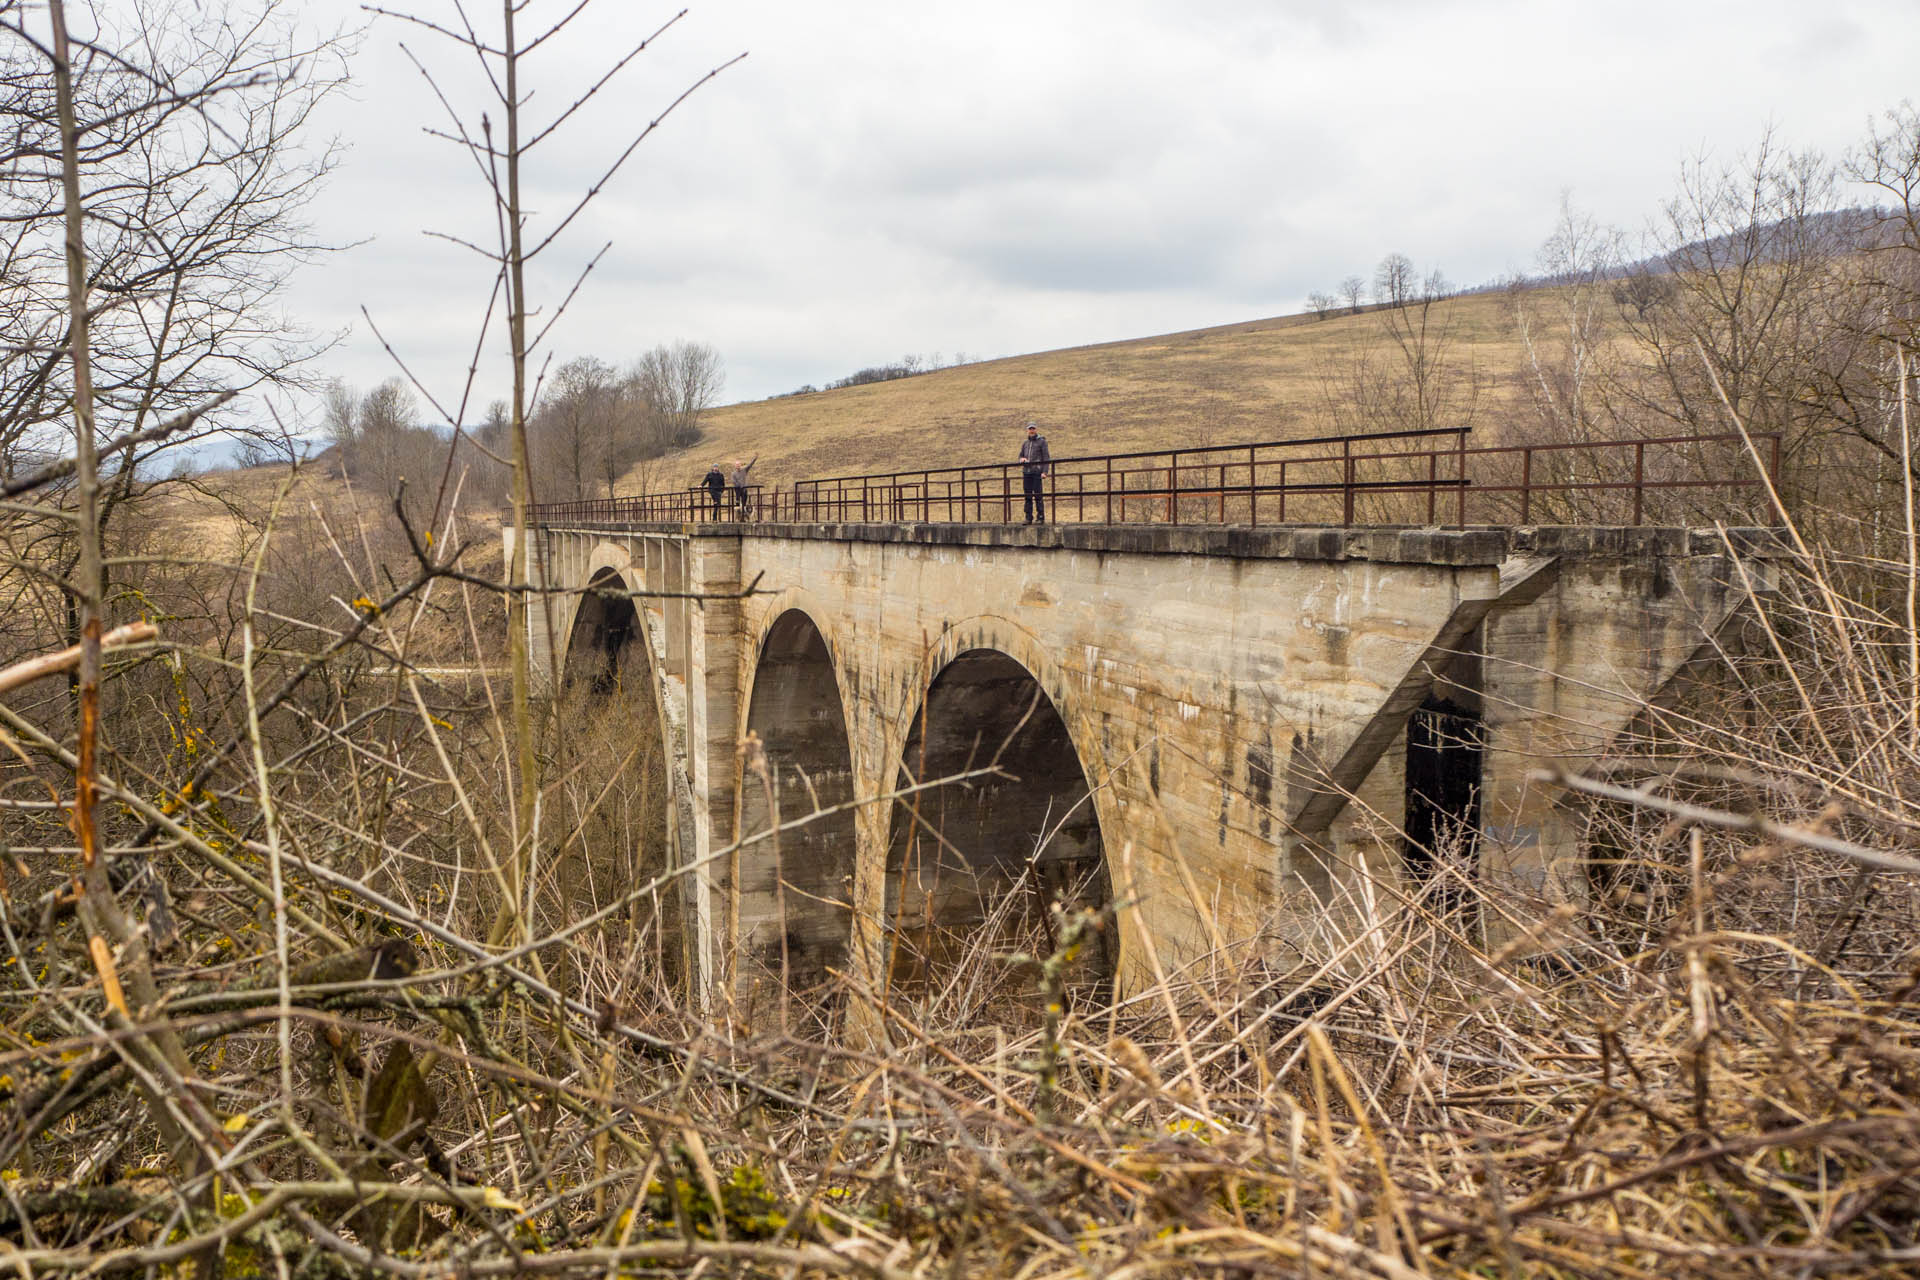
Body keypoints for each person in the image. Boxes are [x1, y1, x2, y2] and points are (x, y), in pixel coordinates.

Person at [1017, 421, 1051, 524]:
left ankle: (1040, 517)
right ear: (1027, 430)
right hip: (1026, 472)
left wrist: (1045, 472)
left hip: (1037, 472)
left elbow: (1046, 457)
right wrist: (1021, 459)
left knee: (1038, 495)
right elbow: (1020, 455)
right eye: (1030, 429)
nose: (1031, 430)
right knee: (1027, 495)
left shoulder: (1042, 442)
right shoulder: (1025, 443)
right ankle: (1028, 517)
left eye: (1033, 428)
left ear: (1036, 429)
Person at [730, 454, 758, 520]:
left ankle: (744, 517)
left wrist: (755, 459)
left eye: (739, 464)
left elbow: (750, 465)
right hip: (738, 490)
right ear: (735, 466)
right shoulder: (733, 473)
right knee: (737, 504)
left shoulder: (744, 470)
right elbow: (734, 482)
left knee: (744, 503)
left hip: (744, 490)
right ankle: (737, 517)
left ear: (740, 465)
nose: (738, 466)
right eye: (736, 465)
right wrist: (740, 486)